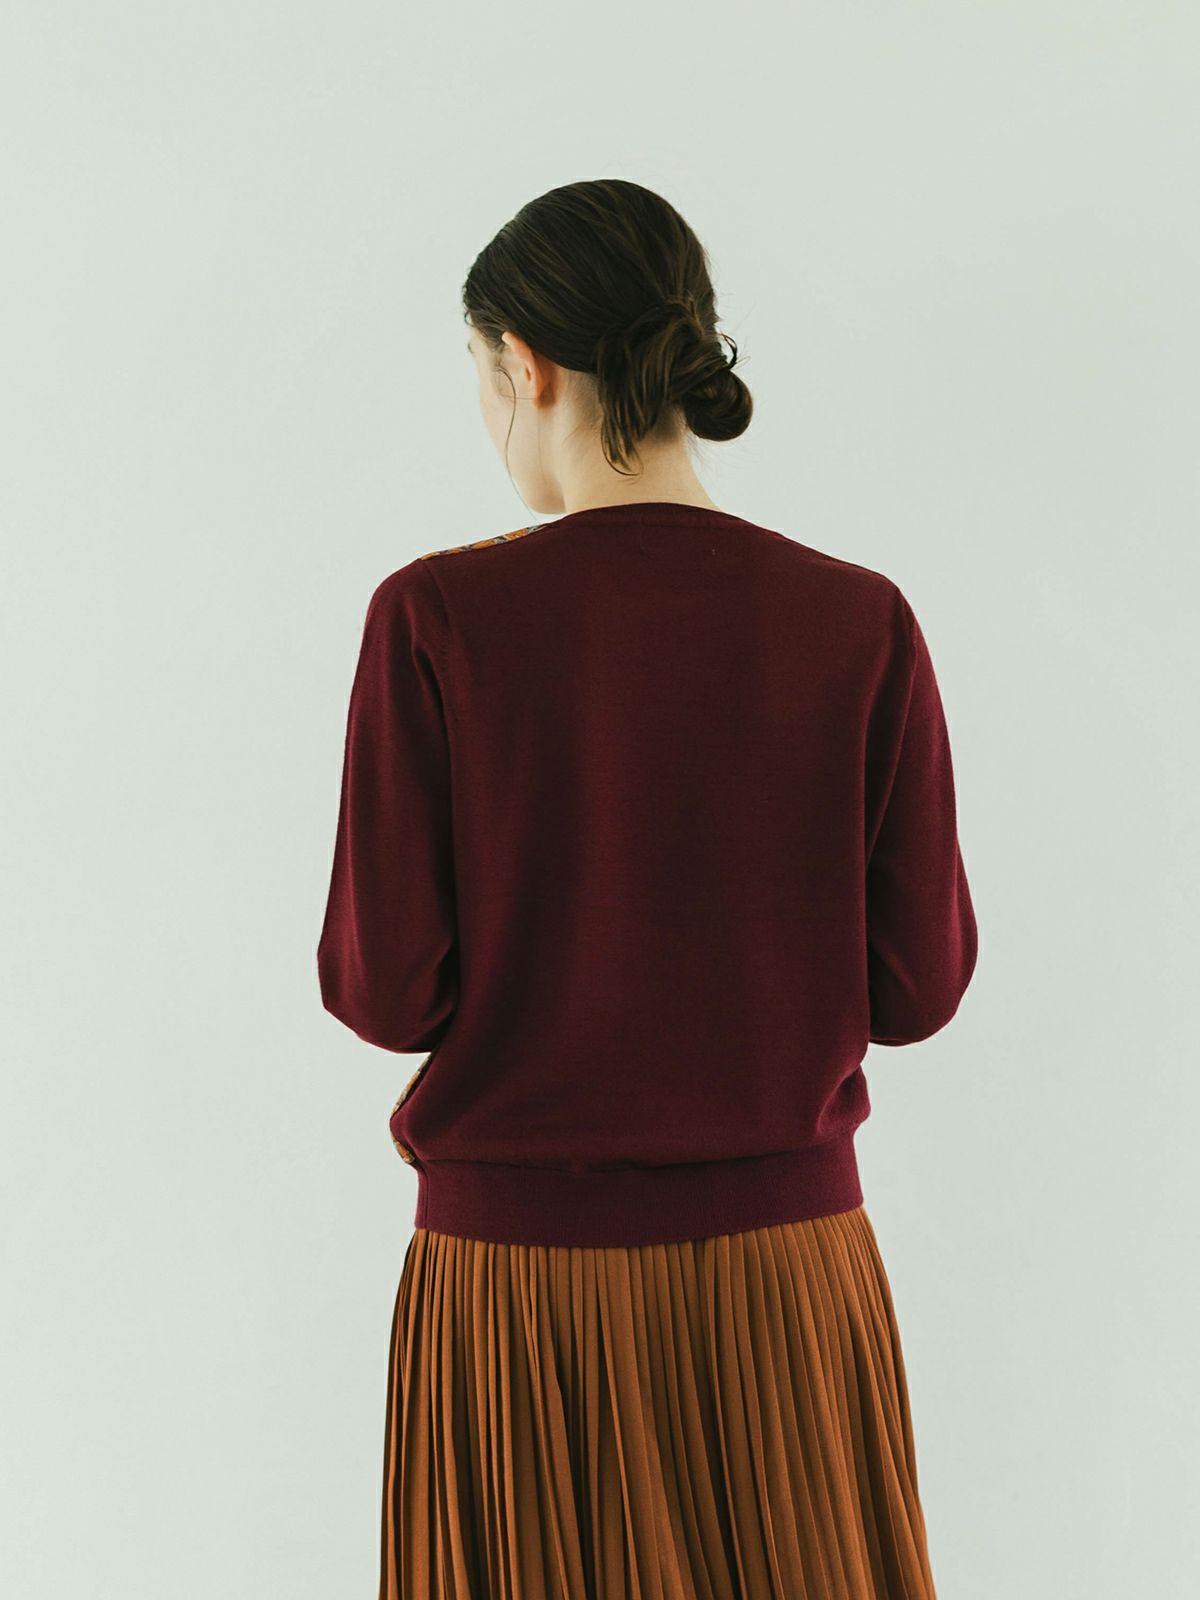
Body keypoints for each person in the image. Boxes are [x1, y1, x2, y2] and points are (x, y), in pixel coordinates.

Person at [317, 177, 978, 1599]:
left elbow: (388, 995)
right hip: (785, 1281)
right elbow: (918, 987)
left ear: (526, 368)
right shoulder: (857, 619)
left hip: (518, 1292)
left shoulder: (436, 618)